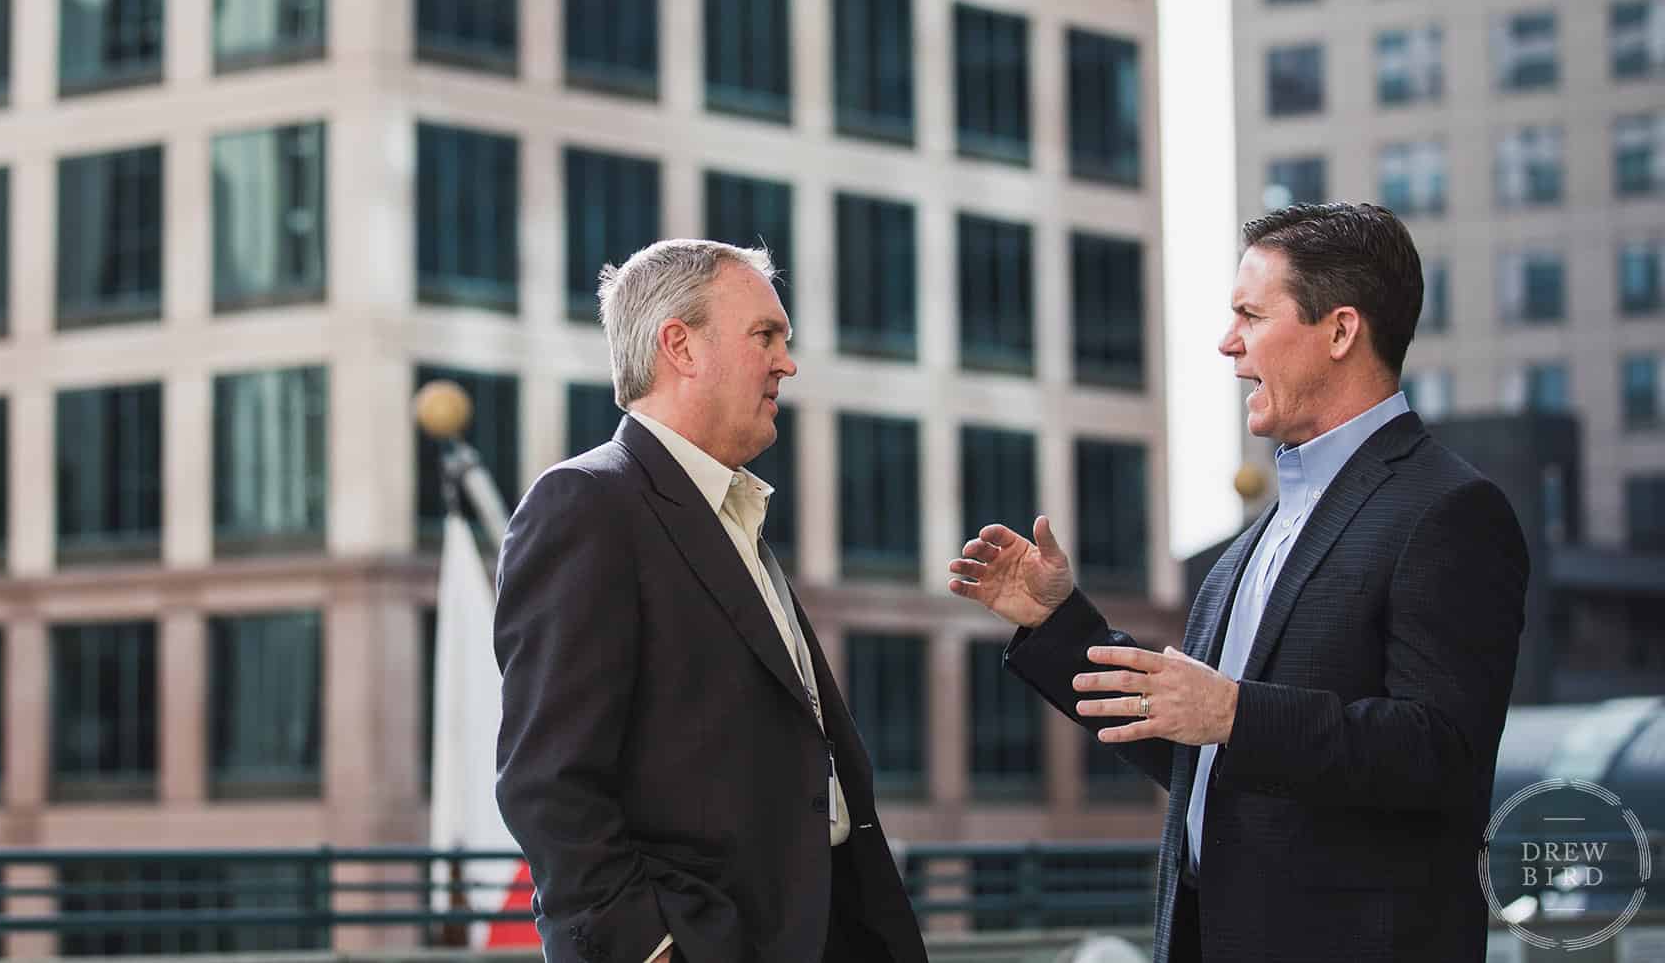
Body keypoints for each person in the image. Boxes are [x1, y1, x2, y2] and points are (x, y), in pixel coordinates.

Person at [948, 202, 1528, 963]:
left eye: (1250, 315)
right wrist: (1060, 625)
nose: (1229, 344)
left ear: (1341, 330)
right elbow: (1205, 753)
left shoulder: (1451, 510)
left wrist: (1236, 712)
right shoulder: (1253, 543)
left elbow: (1441, 753)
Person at [494, 239, 928, 963]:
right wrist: (650, 948)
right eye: (766, 335)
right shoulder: (586, 505)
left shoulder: (733, 511)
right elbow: (550, 786)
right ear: (681, 346)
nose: (787, 362)